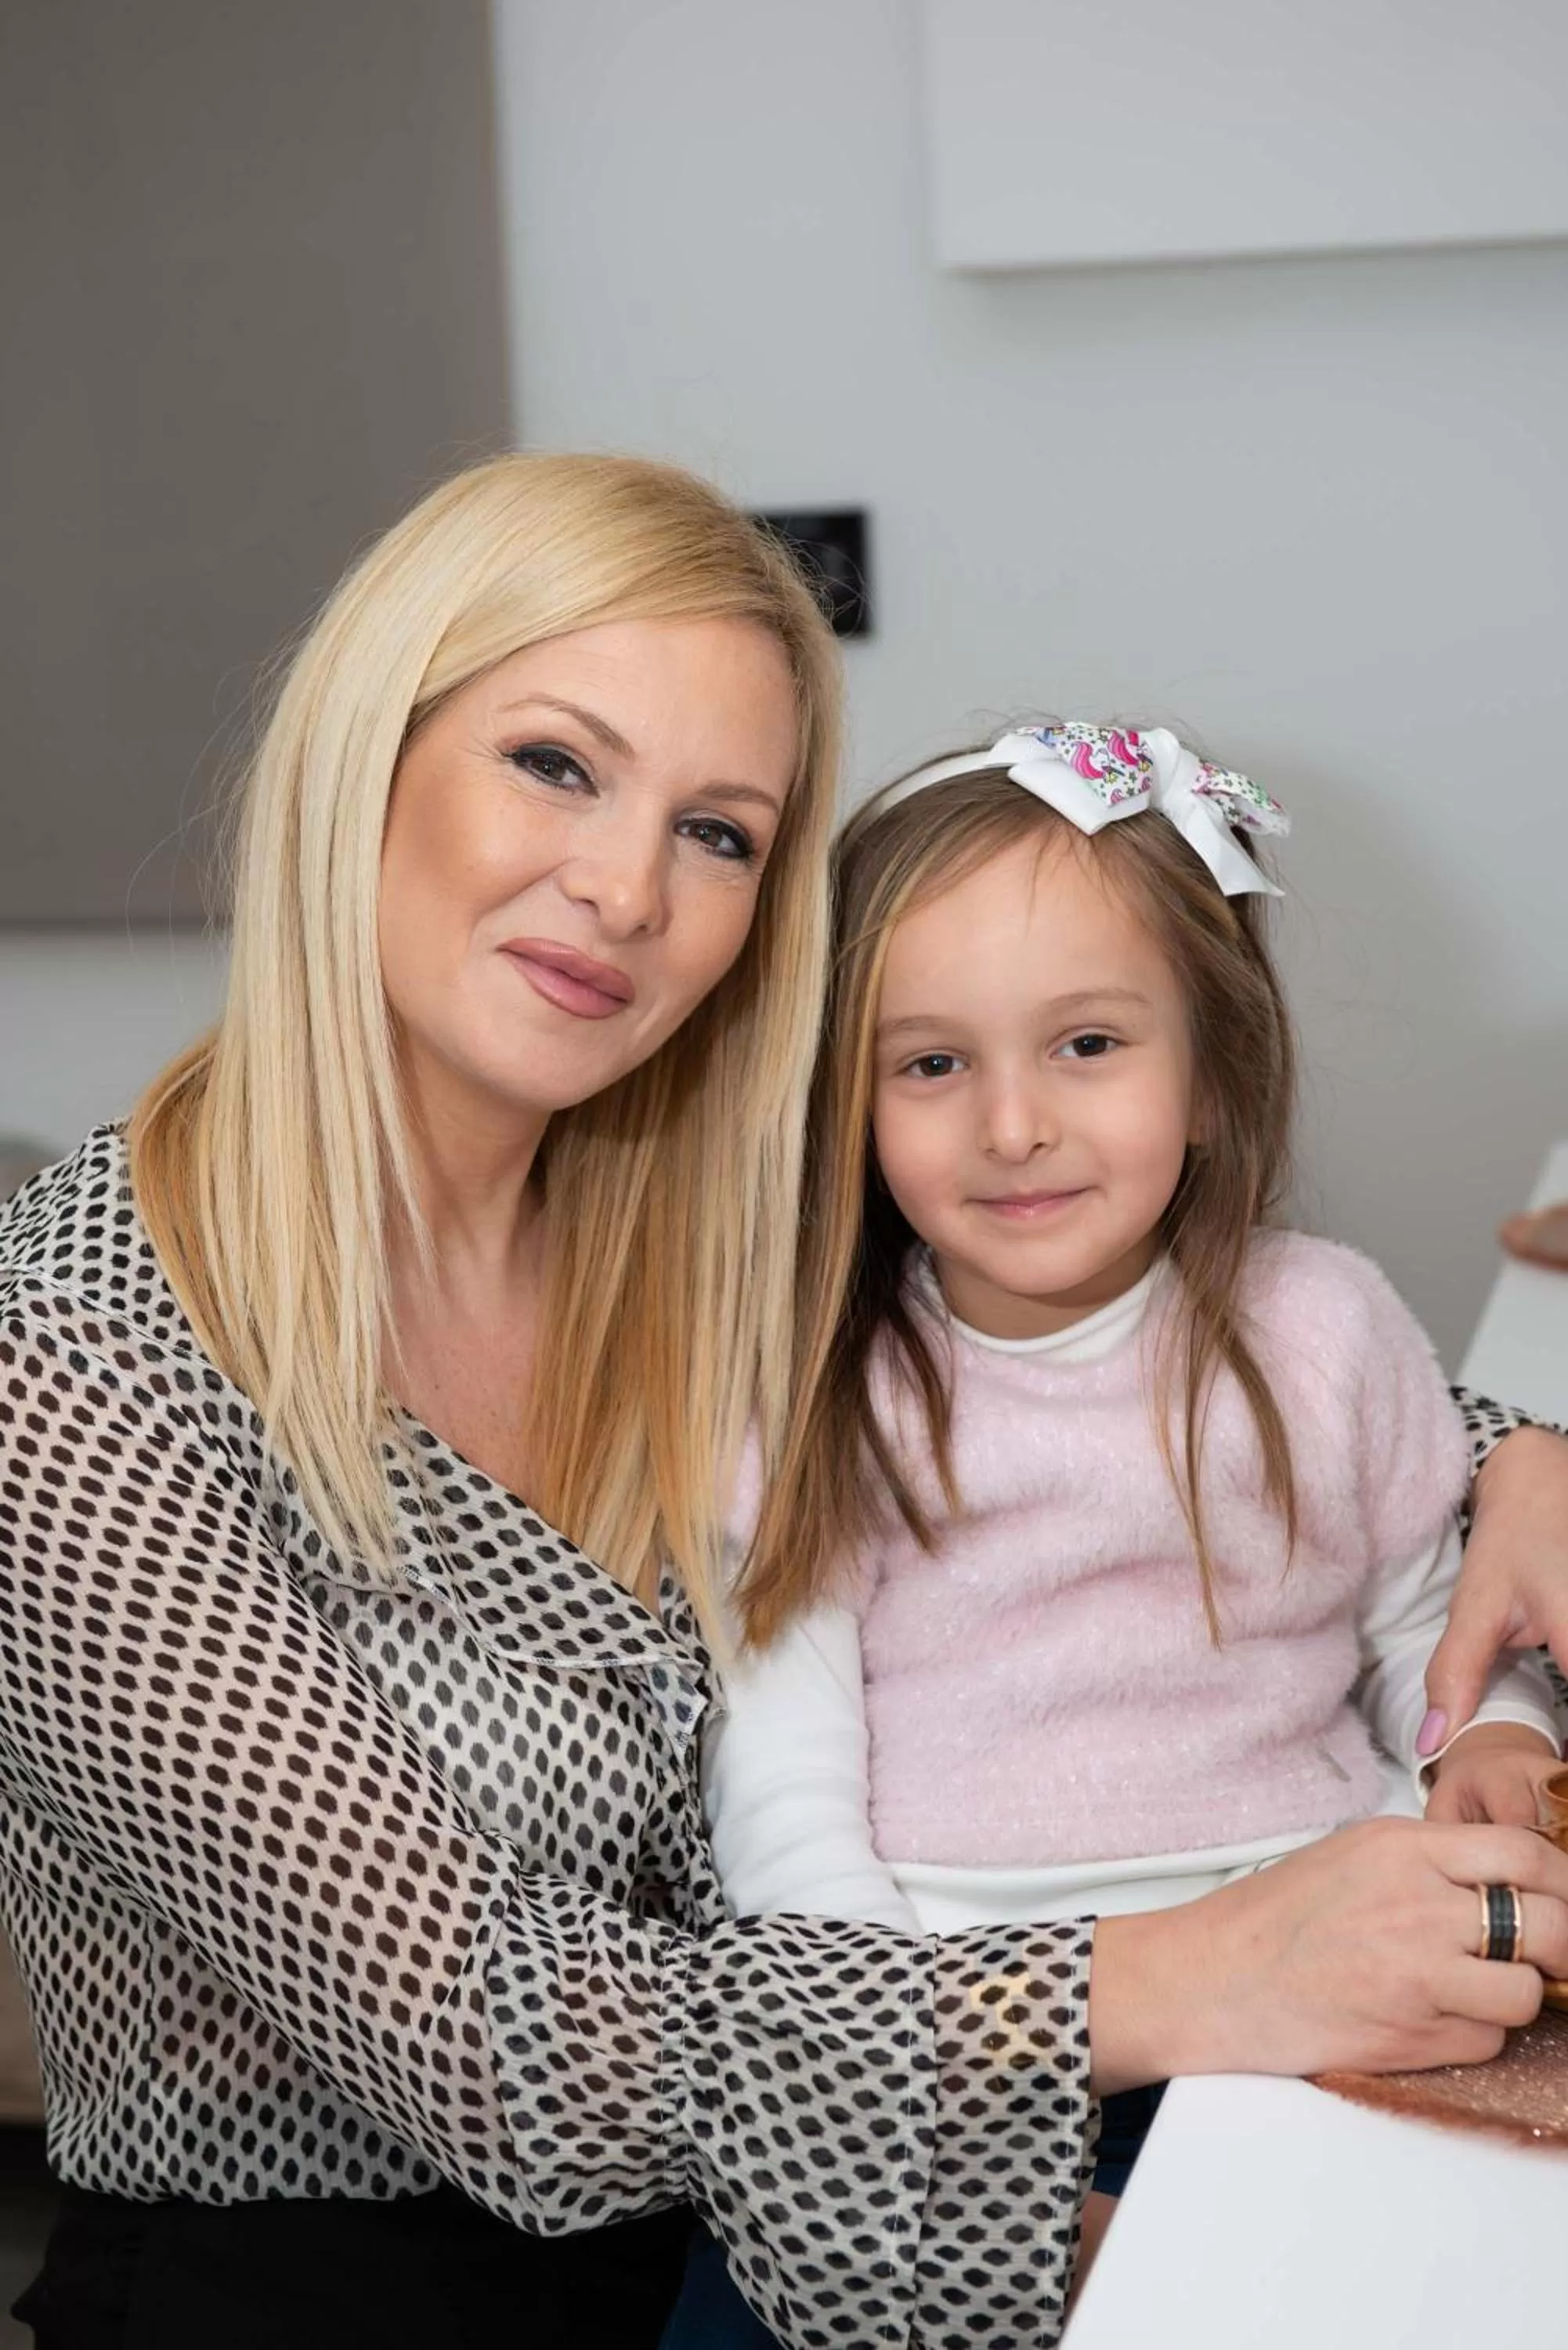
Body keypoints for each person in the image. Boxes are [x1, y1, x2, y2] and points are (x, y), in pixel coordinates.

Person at [2, 466, 1568, 2350]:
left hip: (847, 2206)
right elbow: (501, 2051)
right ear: (366, 752)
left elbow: (1135, 1384)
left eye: (718, 834)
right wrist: (1175, 1972)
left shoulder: (689, 1224)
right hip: (346, 2300)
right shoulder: (70, 1357)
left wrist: (1513, 1459)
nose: (625, 890)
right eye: (555, 765)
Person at [676, 723, 1566, 2342]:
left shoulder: (1323, 1327)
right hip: (979, 2027)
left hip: (1329, 1981)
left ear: (1212, 1074)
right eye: (929, 1064)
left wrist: (1493, 1735)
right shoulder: (809, 1387)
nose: (1010, 1124)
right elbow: (782, 1789)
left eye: (1084, 1044)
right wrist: (896, 2071)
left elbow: (1416, 1624)